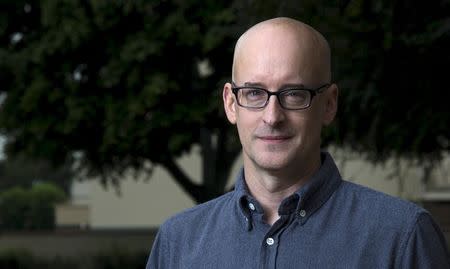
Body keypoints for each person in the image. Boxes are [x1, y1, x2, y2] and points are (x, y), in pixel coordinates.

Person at [146, 17, 450, 268]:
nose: (272, 116)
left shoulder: (402, 237)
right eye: (254, 92)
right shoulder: (178, 242)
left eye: (294, 94)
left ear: (329, 104)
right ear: (230, 104)